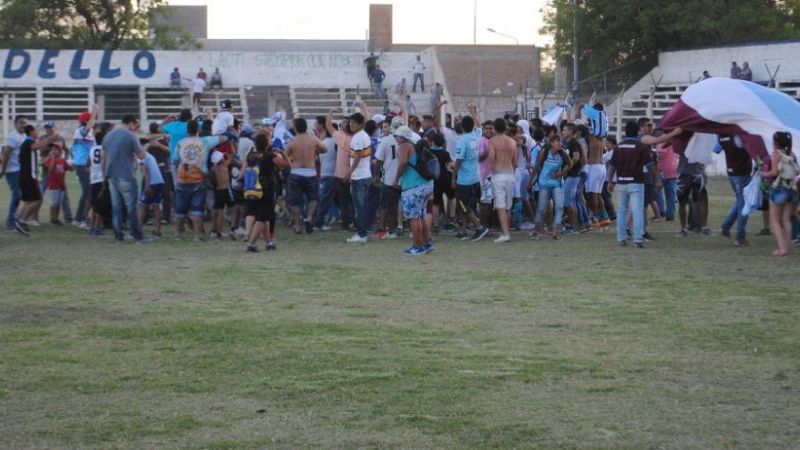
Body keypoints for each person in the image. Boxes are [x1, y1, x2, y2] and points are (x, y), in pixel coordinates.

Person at [174, 119, 231, 241]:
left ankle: (178, 235)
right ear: (198, 130)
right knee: (197, 208)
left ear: (187, 130)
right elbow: (224, 138)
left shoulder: (179, 143)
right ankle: (197, 235)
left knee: (180, 209)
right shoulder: (204, 141)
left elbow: (174, 160)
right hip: (198, 178)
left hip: (182, 178)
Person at [607, 121, 660, 248]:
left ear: (625, 132)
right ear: (637, 132)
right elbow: (650, 166)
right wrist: (656, 179)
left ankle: (621, 238)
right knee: (637, 211)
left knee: (621, 211)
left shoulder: (618, 147)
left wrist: (610, 182)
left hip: (621, 182)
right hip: (636, 183)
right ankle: (638, 239)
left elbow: (612, 167)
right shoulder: (640, 147)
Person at [103, 115, 148, 243]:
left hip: (111, 175)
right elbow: (141, 155)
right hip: (126, 175)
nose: (135, 128)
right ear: (130, 123)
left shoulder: (109, 135)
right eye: (135, 125)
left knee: (116, 207)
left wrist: (104, 174)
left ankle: (118, 237)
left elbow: (104, 156)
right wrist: (146, 146)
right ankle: (136, 235)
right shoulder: (131, 136)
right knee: (131, 207)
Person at [244, 131, 290, 252]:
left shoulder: (251, 156)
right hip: (268, 188)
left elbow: (245, 168)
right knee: (263, 217)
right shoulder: (270, 156)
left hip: (253, 188)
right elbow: (287, 165)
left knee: (265, 216)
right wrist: (283, 154)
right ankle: (251, 244)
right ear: (267, 143)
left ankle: (268, 242)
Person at [452, 104, 490, 241]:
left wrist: (453, 176)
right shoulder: (476, 135)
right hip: (476, 177)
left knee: (463, 205)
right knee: (469, 205)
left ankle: (480, 227)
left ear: (461, 126)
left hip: (465, 179)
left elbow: (459, 160)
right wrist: (473, 113)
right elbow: (479, 126)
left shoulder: (463, 140)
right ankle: (464, 230)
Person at [393, 126, 434, 255]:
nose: (395, 138)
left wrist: (396, 178)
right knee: (421, 215)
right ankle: (426, 243)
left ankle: (418, 245)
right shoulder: (415, 145)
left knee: (413, 217)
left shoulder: (404, 146)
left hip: (413, 186)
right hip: (425, 184)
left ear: (402, 137)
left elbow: (403, 162)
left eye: (396, 136)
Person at [13, 124, 57, 235]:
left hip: (25, 176)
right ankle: (22, 222)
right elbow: (38, 146)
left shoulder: (26, 143)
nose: (38, 133)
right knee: (37, 199)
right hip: (29, 176)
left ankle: (18, 222)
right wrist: (51, 137)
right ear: (32, 132)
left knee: (28, 201)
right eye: (36, 131)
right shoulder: (28, 143)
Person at [285, 117, 327, 234]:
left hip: (296, 171)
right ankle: (308, 218)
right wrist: (316, 152)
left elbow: (285, 155)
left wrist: (290, 164)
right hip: (311, 171)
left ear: (296, 128)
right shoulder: (313, 139)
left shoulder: (292, 141)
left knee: (295, 201)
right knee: (312, 198)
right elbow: (325, 148)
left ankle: (297, 225)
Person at [760, 131, 799, 256]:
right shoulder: (792, 154)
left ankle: (782, 249)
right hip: (791, 190)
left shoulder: (776, 154)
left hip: (778, 189)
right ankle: (786, 247)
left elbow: (774, 173)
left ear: (776, 142)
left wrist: (763, 174)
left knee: (775, 220)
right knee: (786, 219)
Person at [530, 134, 571, 240]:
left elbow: (569, 164)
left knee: (559, 207)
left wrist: (560, 173)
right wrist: (531, 180)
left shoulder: (562, 153)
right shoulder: (544, 152)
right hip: (544, 184)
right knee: (542, 208)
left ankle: (556, 230)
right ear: (551, 143)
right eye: (556, 141)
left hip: (557, 184)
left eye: (560, 141)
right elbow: (537, 166)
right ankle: (537, 229)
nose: (559, 143)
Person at [717, 134, 754, 246]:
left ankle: (725, 226)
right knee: (743, 205)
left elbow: (716, 149)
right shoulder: (738, 137)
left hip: (732, 173)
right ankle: (740, 237)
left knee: (740, 201)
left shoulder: (721, 136)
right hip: (742, 173)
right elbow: (750, 150)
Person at [374, 116, 406, 239]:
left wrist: (377, 175)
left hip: (389, 178)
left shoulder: (386, 140)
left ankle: (389, 229)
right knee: (402, 205)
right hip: (405, 178)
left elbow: (379, 160)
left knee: (388, 206)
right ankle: (401, 227)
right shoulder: (409, 140)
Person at [488, 118, 518, 243]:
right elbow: (514, 162)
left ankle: (505, 233)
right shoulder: (512, 141)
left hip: (498, 174)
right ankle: (506, 231)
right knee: (508, 205)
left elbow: (491, 158)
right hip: (510, 174)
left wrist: (488, 173)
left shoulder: (492, 141)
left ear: (494, 128)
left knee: (500, 206)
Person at [344, 112, 373, 243]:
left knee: (359, 206)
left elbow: (358, 155)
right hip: (365, 174)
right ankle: (362, 232)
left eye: (354, 122)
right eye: (350, 122)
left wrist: (350, 171)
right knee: (361, 205)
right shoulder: (364, 136)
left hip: (359, 176)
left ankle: (361, 234)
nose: (351, 125)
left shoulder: (358, 137)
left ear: (360, 124)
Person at [38, 121, 72, 224]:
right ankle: (34, 216)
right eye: (47, 127)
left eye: (50, 127)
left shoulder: (61, 138)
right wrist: (50, 142)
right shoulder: (43, 138)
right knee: (40, 193)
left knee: (63, 195)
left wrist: (65, 159)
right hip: (46, 169)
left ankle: (68, 217)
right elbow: (40, 149)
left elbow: (66, 149)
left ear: (55, 128)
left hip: (58, 170)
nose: (48, 129)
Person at [72, 104, 100, 228]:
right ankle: (80, 219)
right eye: (92, 119)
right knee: (88, 192)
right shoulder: (82, 131)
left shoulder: (86, 132)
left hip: (84, 164)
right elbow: (88, 127)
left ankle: (80, 218)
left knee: (87, 192)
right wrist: (94, 112)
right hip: (83, 165)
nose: (94, 122)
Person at [326, 108, 354, 231]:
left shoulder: (341, 137)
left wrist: (331, 112)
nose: (342, 124)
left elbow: (328, 125)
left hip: (342, 173)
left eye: (344, 122)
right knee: (350, 200)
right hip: (350, 173)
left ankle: (346, 223)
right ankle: (350, 221)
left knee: (344, 200)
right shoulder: (354, 138)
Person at [676, 152, 712, 237]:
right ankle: (684, 229)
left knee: (702, 200)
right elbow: (668, 144)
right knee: (682, 201)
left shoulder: (698, 139)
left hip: (697, 172)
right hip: (685, 172)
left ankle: (704, 227)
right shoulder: (682, 139)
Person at [313, 116, 339, 231]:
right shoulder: (335, 143)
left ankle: (319, 221)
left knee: (325, 199)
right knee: (325, 200)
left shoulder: (323, 143)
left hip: (324, 173)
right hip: (331, 174)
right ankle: (319, 223)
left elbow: (317, 159)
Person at [562, 123, 584, 233]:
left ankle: (573, 226)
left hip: (572, 175)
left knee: (568, 202)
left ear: (571, 131)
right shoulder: (568, 143)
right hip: (570, 175)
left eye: (565, 130)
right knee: (569, 201)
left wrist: (566, 169)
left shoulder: (573, 143)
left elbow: (576, 157)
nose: (563, 132)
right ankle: (572, 224)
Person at [137, 149, 165, 237]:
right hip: (159, 181)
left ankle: (138, 230)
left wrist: (147, 184)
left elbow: (145, 169)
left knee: (142, 205)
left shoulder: (142, 156)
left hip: (152, 183)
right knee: (156, 205)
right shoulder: (150, 155)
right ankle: (158, 230)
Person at [42, 143, 71, 225]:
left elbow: (69, 168)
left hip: (62, 185)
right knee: (54, 202)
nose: (54, 151)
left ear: (60, 151)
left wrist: (70, 162)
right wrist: (53, 158)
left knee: (59, 203)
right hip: (54, 184)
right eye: (52, 149)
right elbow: (50, 169)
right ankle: (52, 219)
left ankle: (56, 219)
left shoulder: (62, 160)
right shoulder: (49, 159)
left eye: (56, 149)